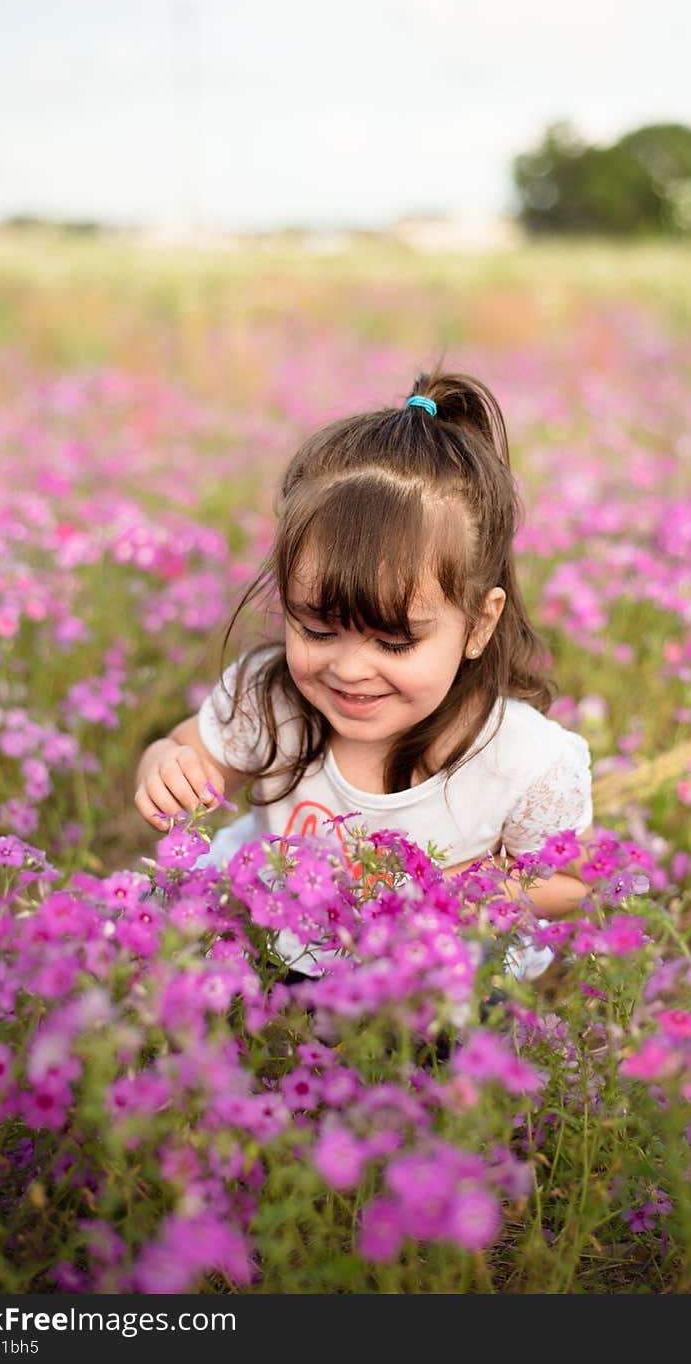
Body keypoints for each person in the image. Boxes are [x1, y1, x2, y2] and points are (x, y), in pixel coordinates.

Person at [134, 369, 594, 984]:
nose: (349, 669)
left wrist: (459, 894)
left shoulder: (521, 760)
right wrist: (166, 769)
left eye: (394, 641)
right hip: (284, 934)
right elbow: (189, 751)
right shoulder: (274, 700)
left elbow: (566, 883)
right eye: (318, 631)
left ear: (480, 625)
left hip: (429, 962)